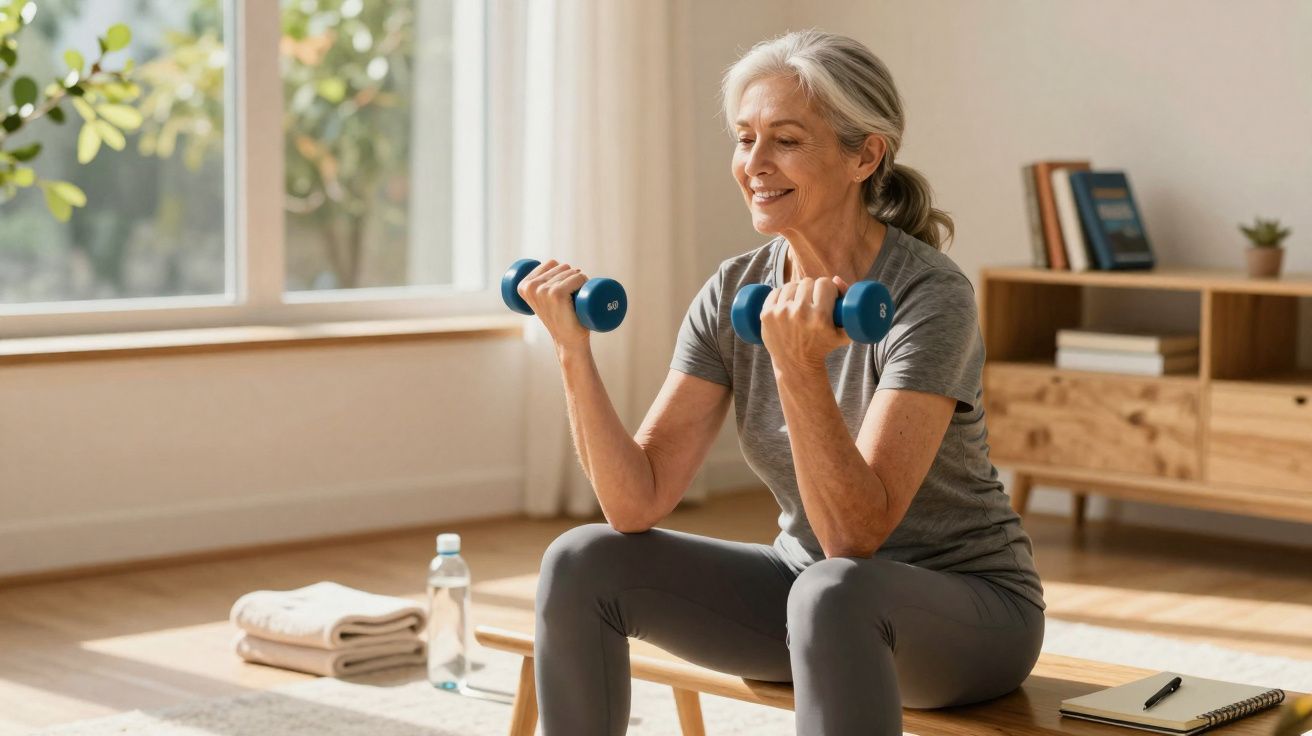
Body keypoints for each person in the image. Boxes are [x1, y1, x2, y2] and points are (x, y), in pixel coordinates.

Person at [515, 29, 1044, 736]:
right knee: (583, 559)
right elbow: (635, 501)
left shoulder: (929, 297)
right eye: (744, 139)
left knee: (837, 589)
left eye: (786, 141)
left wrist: (799, 366)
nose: (754, 165)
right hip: (808, 594)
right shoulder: (734, 289)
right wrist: (572, 351)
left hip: (969, 614)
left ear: (865, 155)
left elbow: (856, 535)